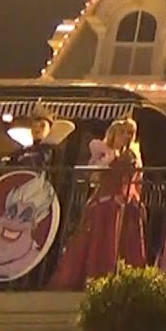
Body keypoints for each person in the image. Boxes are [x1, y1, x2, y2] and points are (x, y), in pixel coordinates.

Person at [49, 119, 147, 290]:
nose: (127, 136)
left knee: (125, 243)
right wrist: (107, 162)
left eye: (130, 133)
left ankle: (125, 281)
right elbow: (93, 178)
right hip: (106, 202)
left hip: (127, 203)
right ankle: (97, 278)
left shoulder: (133, 155)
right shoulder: (105, 153)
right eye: (123, 132)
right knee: (101, 240)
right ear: (114, 135)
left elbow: (136, 180)